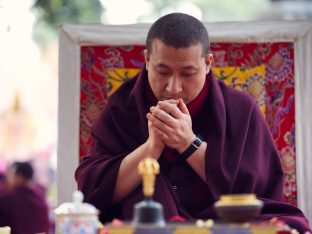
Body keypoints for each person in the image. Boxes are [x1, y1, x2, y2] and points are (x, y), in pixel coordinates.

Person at [75, 13, 311, 232]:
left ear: (207, 63)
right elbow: (93, 190)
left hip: (220, 225)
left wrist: (188, 143)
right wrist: (151, 149)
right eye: (162, 71)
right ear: (147, 60)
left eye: (187, 74)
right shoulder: (122, 107)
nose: (173, 87)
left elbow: (256, 195)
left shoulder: (240, 109)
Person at [0, 161, 50, 234]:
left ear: (19, 176)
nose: (8, 178)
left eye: (10, 174)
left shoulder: (11, 198)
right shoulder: (40, 193)